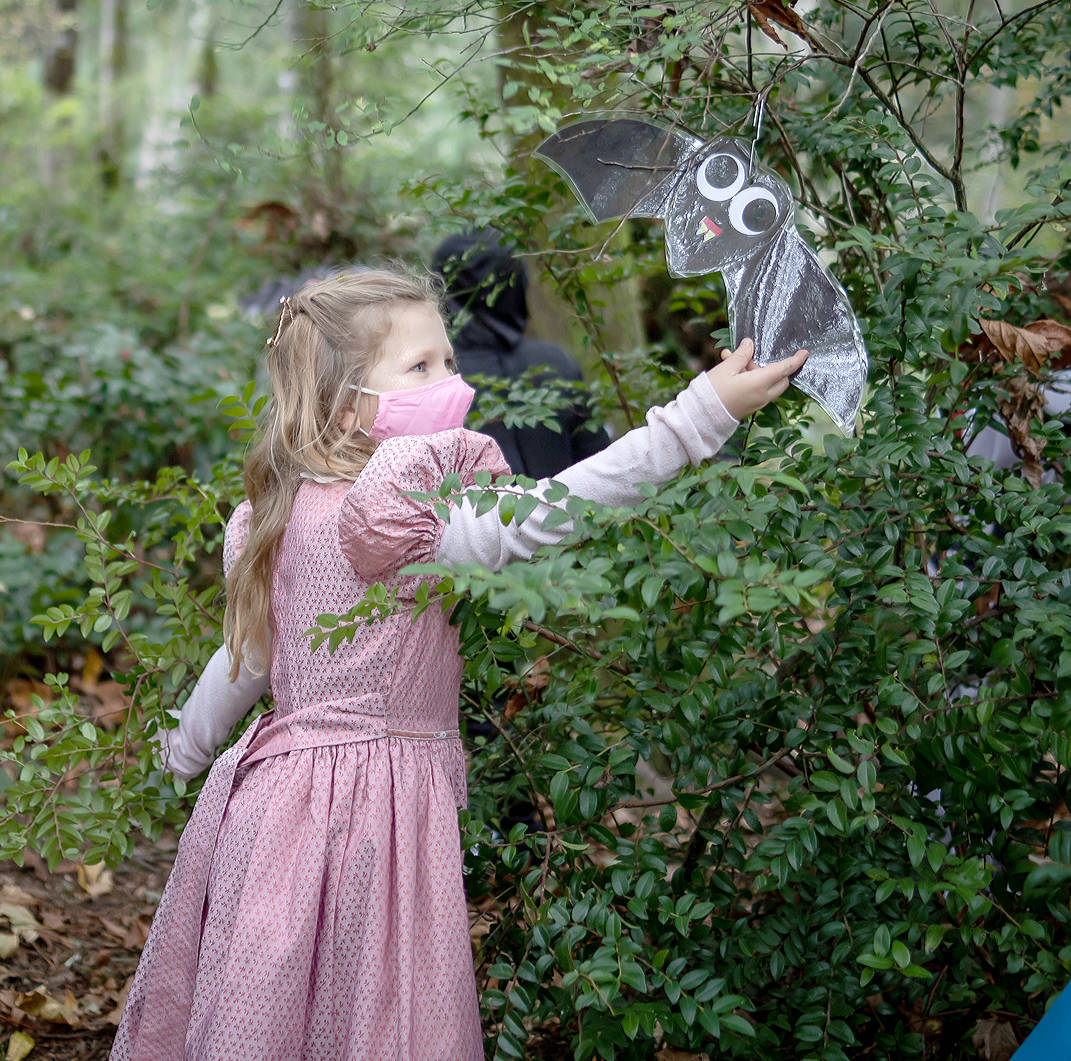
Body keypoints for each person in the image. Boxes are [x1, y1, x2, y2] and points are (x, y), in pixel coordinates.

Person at [110, 268, 808, 1060]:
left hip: (272, 806)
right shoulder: (396, 515)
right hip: (375, 811)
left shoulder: (283, 512)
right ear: (349, 407)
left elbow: (242, 666)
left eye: (449, 360)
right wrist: (698, 415)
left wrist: (186, 748)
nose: (452, 381)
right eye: (420, 368)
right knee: (381, 1005)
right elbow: (555, 509)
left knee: (274, 998)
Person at [432, 231, 609, 477]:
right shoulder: (556, 362)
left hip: (480, 516)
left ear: (441, 290)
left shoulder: (435, 379)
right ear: (517, 283)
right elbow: (600, 465)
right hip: (564, 511)